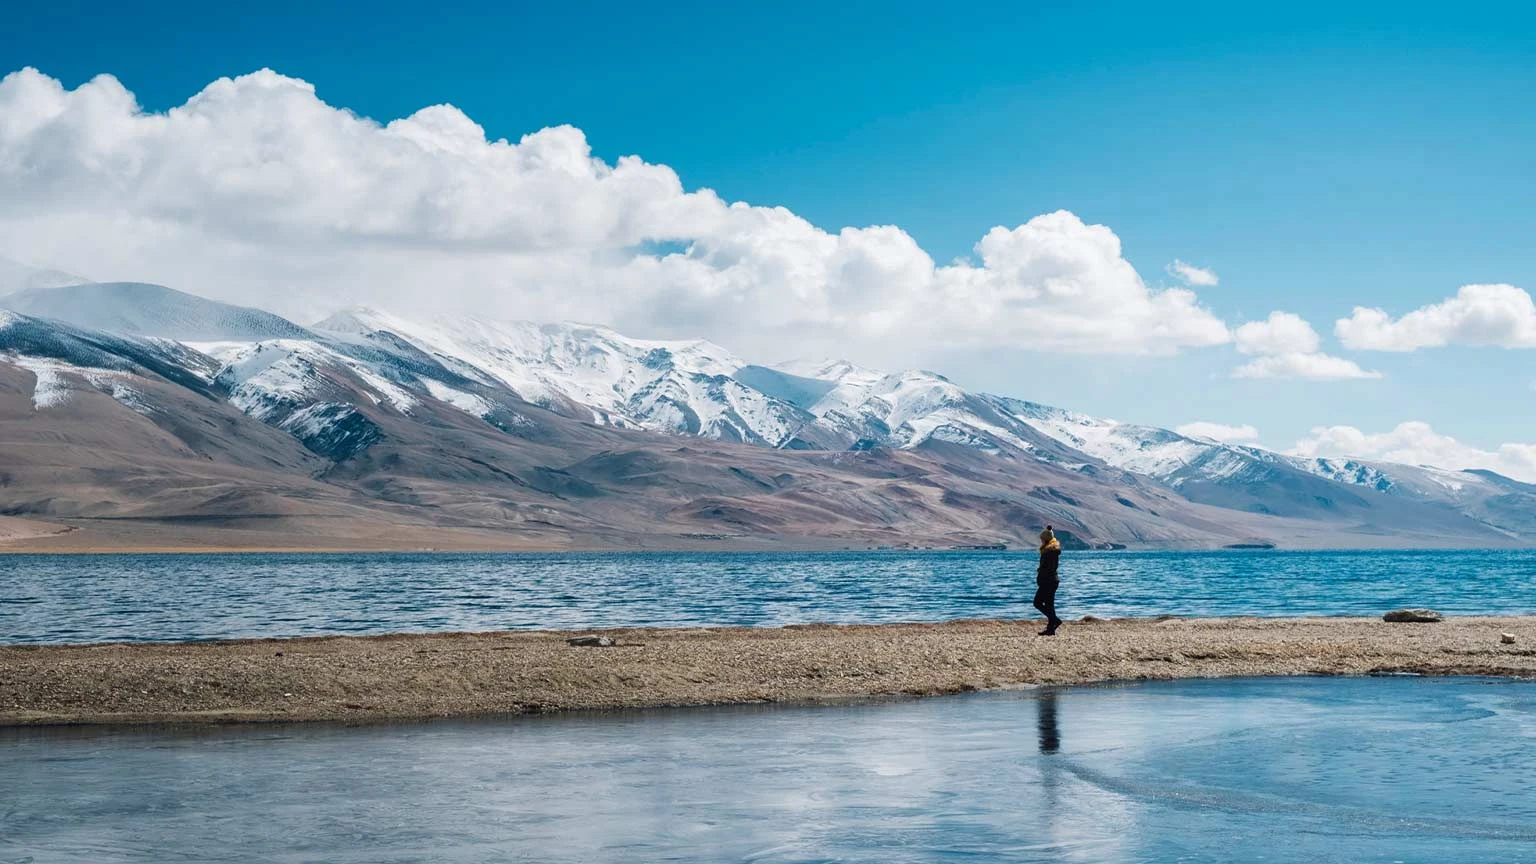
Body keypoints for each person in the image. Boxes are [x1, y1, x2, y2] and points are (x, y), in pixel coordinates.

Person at [1033, 525, 1063, 636]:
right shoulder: (1050, 551)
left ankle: (1055, 620)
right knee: (1049, 605)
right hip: (1051, 580)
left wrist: (1042, 578)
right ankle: (1051, 629)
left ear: (1045, 539)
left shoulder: (1050, 552)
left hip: (1048, 581)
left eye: (1042, 539)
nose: (1041, 541)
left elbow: (1048, 568)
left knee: (1037, 602)